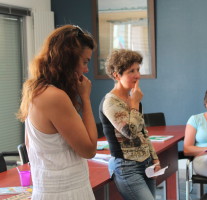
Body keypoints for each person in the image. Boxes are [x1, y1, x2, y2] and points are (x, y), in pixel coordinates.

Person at [17, 25, 98, 200]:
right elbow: (89, 150)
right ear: (68, 60)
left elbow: (29, 145)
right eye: (84, 62)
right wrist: (85, 99)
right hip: (66, 193)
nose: (86, 70)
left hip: (50, 189)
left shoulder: (36, 90)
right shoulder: (55, 96)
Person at [99, 49, 161, 200]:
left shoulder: (132, 98)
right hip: (126, 167)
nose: (137, 75)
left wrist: (154, 158)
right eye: (131, 71)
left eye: (138, 70)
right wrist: (135, 104)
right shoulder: (110, 102)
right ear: (116, 74)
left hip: (146, 163)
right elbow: (130, 132)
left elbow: (142, 132)